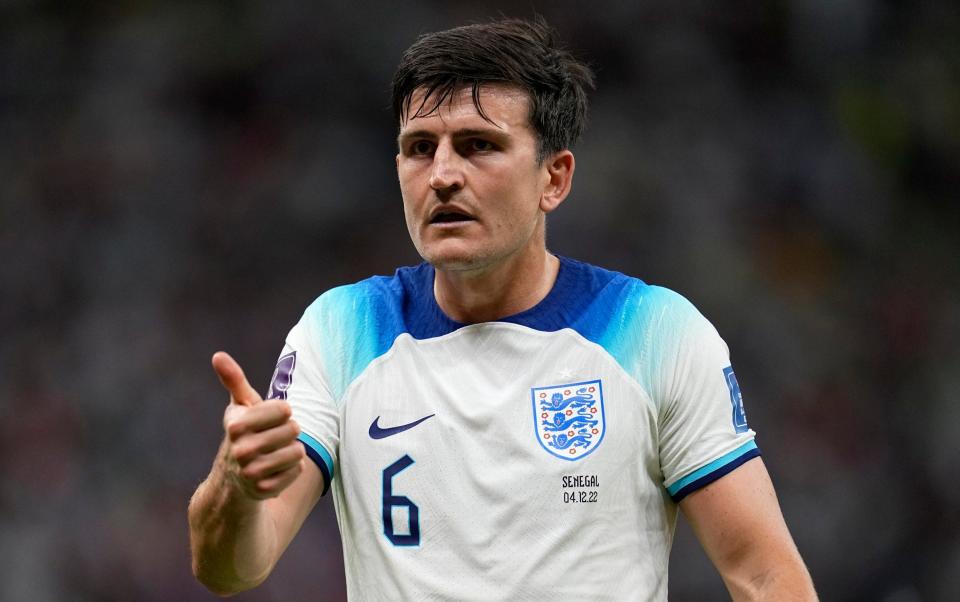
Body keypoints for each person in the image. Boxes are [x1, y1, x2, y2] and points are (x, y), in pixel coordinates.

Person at [188, 17, 817, 601]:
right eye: (419, 148)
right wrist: (233, 485)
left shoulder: (657, 332)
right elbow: (229, 568)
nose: (442, 175)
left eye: (478, 145)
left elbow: (763, 574)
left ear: (554, 178)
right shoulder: (341, 330)